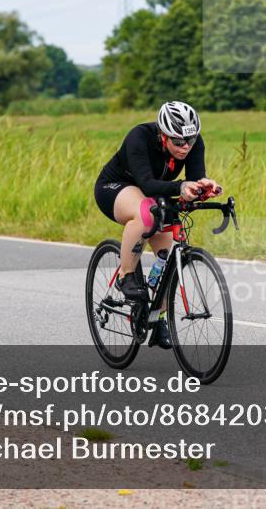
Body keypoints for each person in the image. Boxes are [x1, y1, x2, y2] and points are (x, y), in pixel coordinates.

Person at [93, 101, 222, 349]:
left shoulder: (193, 143)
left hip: (154, 194)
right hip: (116, 188)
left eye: (190, 140)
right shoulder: (139, 137)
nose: (186, 147)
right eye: (178, 142)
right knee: (145, 214)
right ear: (163, 135)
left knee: (165, 258)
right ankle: (126, 275)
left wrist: (203, 188)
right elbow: (147, 183)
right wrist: (180, 187)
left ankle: (157, 318)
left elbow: (192, 181)